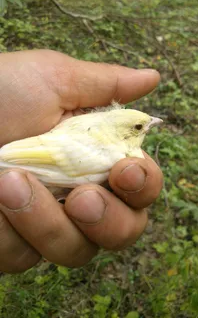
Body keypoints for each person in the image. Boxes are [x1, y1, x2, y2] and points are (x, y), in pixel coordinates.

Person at [0, 49, 163, 273]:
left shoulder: (96, 128)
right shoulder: (111, 157)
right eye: (139, 127)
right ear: (124, 131)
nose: (152, 123)